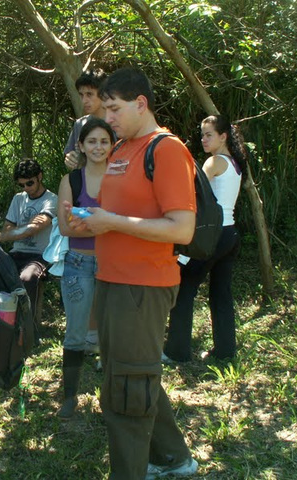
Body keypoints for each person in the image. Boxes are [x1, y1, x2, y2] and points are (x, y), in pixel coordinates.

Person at [69, 67, 198, 479]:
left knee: (127, 387)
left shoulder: (165, 149)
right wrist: (90, 221)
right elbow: (122, 212)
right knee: (128, 372)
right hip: (111, 278)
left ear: (140, 104)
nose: (106, 117)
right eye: (104, 108)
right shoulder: (123, 148)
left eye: (113, 108)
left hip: (143, 285)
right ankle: (175, 458)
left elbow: (182, 228)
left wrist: (112, 223)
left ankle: (130, 472)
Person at [164, 115, 247, 362]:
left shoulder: (214, 162)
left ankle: (177, 351)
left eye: (209, 134)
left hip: (212, 236)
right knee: (221, 293)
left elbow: (190, 190)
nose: (203, 139)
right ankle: (225, 351)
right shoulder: (235, 164)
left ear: (223, 137)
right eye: (202, 135)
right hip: (230, 235)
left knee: (185, 288)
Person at [56, 117, 113, 419]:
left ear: (112, 145)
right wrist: (104, 224)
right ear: (80, 145)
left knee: (111, 332)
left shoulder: (120, 178)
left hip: (113, 263)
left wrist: (87, 223)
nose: (98, 147)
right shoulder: (72, 181)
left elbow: (125, 226)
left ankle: (111, 398)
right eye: (92, 141)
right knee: (76, 334)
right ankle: (69, 398)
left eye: (104, 141)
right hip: (78, 264)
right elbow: (66, 228)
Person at [0, 159, 57, 328]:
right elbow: (9, 228)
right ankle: (4, 325)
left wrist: (13, 232)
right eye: (22, 185)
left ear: (40, 177)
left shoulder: (51, 200)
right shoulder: (18, 199)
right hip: (17, 253)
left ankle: (30, 329)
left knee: (28, 277)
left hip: (40, 255)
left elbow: (35, 228)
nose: (26, 188)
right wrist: (23, 228)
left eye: (29, 183)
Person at [64, 68, 108, 170]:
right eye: (81, 95)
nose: (84, 100)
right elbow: (70, 156)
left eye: (89, 94)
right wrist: (69, 159)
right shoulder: (79, 125)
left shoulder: (118, 124)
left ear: (103, 93)